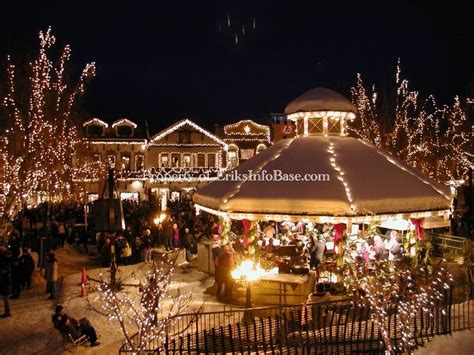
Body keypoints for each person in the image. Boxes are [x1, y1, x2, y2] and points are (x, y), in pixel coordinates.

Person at [0, 247, 12, 317]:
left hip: (4, 281)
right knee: (5, 297)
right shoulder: (6, 258)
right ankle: (7, 312)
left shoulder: (3, 259)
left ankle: (7, 312)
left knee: (5, 297)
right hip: (5, 280)